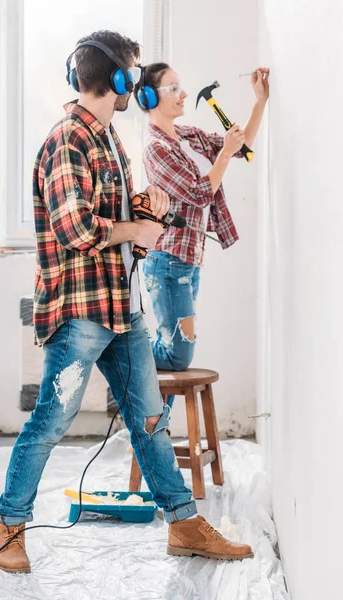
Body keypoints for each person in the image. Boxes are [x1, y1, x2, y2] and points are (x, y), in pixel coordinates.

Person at [0, 31, 253, 574]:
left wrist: (144, 206)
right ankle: (8, 528)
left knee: (150, 420)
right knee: (50, 422)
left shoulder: (108, 136)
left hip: (121, 306)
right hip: (80, 312)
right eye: (132, 72)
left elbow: (113, 212)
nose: (134, 81)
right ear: (118, 79)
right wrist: (135, 223)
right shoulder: (69, 139)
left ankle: (183, 524)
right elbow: (75, 227)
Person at [134, 64, 269, 409]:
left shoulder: (187, 135)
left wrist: (259, 102)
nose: (183, 94)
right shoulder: (155, 148)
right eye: (173, 88)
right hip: (167, 263)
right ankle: (121, 350)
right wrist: (223, 152)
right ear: (149, 97)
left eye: (181, 86)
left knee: (174, 353)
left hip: (189, 262)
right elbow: (198, 192)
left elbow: (240, 147)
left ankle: (155, 435)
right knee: (178, 356)